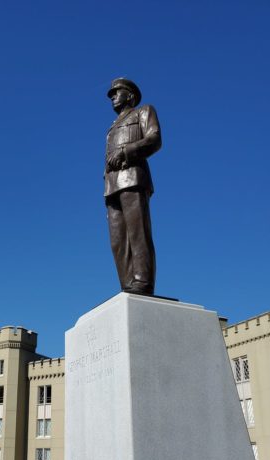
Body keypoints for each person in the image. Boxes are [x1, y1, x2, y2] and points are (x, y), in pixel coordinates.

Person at [104, 77, 162, 296]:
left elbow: (154, 139)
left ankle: (142, 282)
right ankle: (127, 284)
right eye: (111, 95)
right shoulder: (111, 127)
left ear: (130, 95)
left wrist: (126, 152)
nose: (113, 98)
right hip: (112, 185)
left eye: (116, 92)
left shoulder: (143, 112)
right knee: (117, 241)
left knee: (138, 233)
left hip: (133, 178)